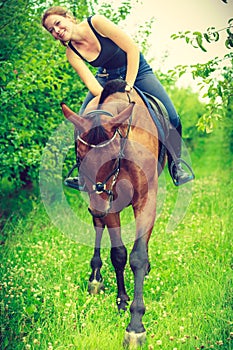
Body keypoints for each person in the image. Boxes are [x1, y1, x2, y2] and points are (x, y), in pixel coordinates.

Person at [42, 6, 194, 187]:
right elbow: (94, 86)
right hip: (107, 78)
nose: (57, 31)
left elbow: (131, 49)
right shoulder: (71, 54)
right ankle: (82, 175)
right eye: (51, 30)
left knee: (172, 115)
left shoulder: (96, 22)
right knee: (82, 121)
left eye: (58, 24)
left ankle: (176, 166)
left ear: (68, 17)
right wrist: (112, 99)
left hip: (137, 71)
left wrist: (129, 85)